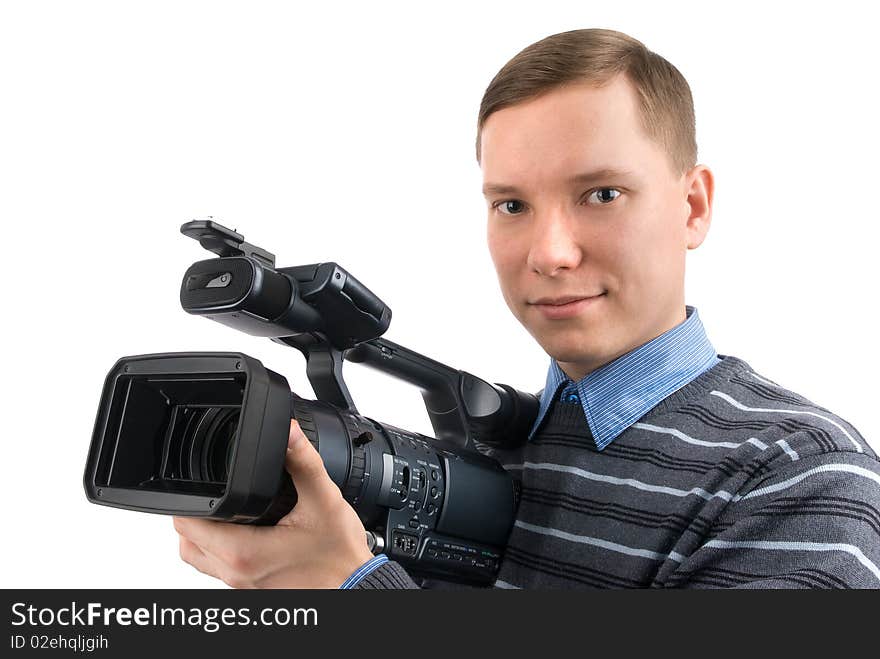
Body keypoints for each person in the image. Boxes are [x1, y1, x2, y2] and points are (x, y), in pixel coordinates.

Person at [173, 28, 880, 589]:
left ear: (692, 206)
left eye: (602, 194)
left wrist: (351, 588)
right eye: (511, 204)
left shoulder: (805, 476)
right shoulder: (484, 453)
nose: (551, 253)